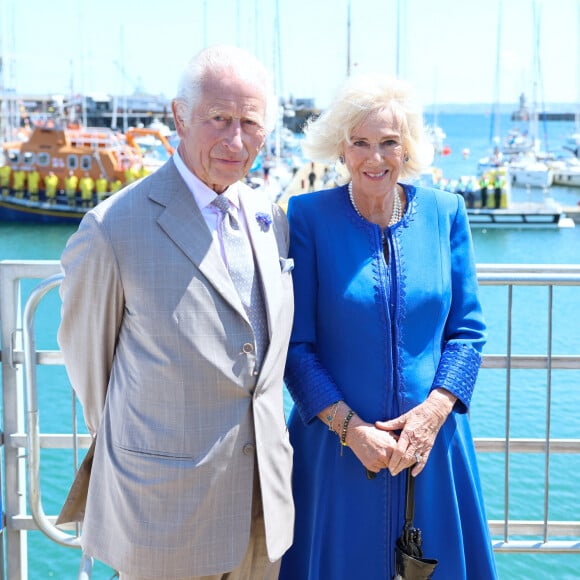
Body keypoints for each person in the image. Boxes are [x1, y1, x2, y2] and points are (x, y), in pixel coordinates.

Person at [58, 44, 295, 580]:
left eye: (249, 123)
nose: (235, 140)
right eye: (218, 119)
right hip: (163, 516)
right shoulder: (113, 228)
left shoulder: (268, 216)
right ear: (180, 116)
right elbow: (91, 373)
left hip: (262, 509)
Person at [279, 73, 498, 579]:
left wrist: (435, 412)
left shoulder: (446, 213)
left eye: (388, 143)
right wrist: (350, 430)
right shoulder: (308, 217)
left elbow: (467, 332)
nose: (374, 158)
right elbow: (296, 346)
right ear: (341, 148)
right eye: (360, 143)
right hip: (335, 454)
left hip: (433, 451)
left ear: (409, 148)